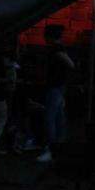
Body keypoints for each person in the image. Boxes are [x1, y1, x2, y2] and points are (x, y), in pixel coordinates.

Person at [36, 25, 75, 164]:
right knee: (58, 117)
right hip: (58, 86)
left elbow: (71, 64)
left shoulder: (56, 50)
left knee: (50, 118)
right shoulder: (59, 48)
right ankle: (59, 145)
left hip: (55, 87)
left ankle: (52, 150)